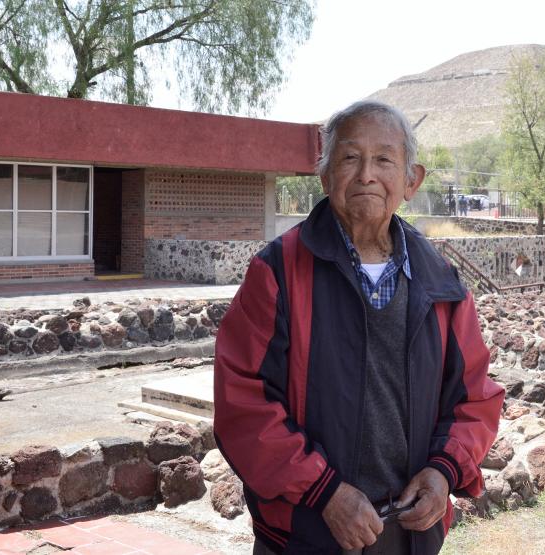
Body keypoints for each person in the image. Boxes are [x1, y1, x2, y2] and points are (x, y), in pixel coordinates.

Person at [213, 100, 505, 555]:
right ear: (326, 176)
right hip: (304, 534)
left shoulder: (439, 280)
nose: (367, 173)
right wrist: (324, 491)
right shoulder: (278, 272)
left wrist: (443, 472)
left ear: (412, 180)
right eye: (350, 158)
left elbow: (474, 398)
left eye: (385, 159)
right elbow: (242, 402)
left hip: (410, 535)